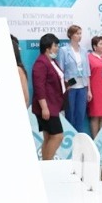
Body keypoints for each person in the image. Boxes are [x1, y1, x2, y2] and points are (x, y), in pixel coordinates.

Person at [31, 33, 66, 161]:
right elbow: (39, 87)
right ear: (47, 48)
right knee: (57, 136)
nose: (57, 48)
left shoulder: (52, 61)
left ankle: (45, 165)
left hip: (53, 104)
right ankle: (47, 163)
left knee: (49, 137)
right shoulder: (41, 63)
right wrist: (44, 108)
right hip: (47, 107)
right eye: (55, 45)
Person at [56, 24, 89, 134]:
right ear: (70, 35)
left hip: (82, 86)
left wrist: (88, 89)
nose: (79, 36)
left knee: (80, 115)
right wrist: (65, 86)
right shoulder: (64, 50)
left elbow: (87, 70)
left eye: (80, 33)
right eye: (77, 33)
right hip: (70, 87)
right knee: (70, 115)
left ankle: (80, 139)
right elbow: (60, 71)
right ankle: (70, 139)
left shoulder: (84, 51)